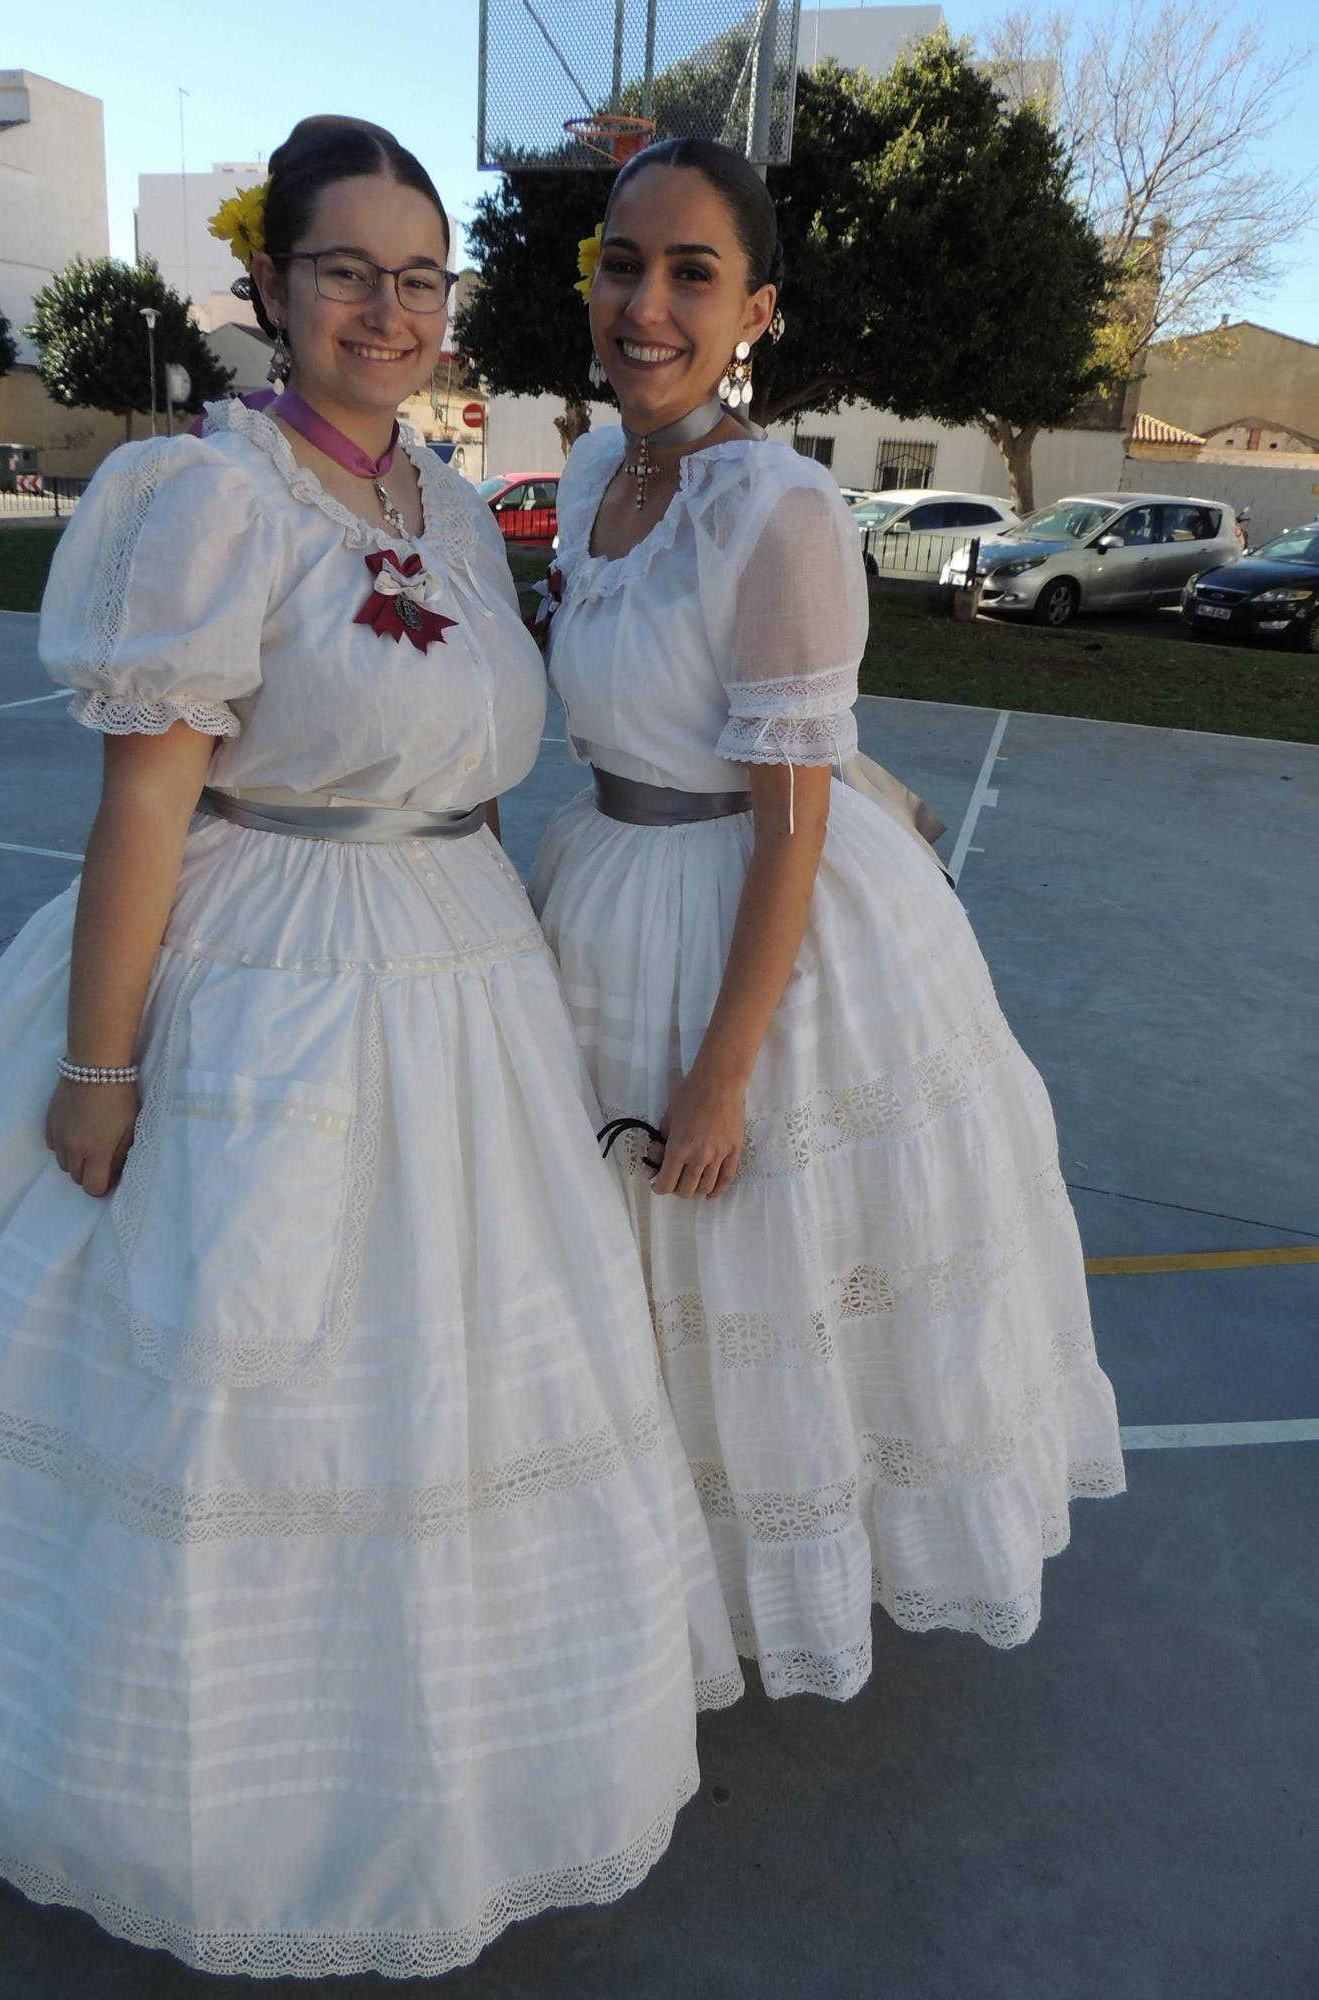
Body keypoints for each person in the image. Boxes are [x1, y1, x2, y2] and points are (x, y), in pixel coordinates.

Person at [0, 118, 740, 1979]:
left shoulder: (447, 501)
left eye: (418, 276)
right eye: (344, 272)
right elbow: (146, 807)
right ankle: (197, 1800)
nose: (386, 312)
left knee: (444, 1396)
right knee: (236, 1373)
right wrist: (99, 1060)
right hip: (264, 977)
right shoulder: (209, 495)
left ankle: (417, 1775)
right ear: (270, 292)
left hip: (460, 974)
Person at [530, 139, 1125, 1705]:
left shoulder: (780, 510)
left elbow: (793, 812)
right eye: (619, 263)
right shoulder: (593, 476)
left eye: (690, 274)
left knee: (760, 1281)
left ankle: (752, 1597)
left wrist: (725, 1070)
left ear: (756, 311)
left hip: (755, 923)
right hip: (602, 884)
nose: (643, 303)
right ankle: (634, 1575)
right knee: (625, 1286)